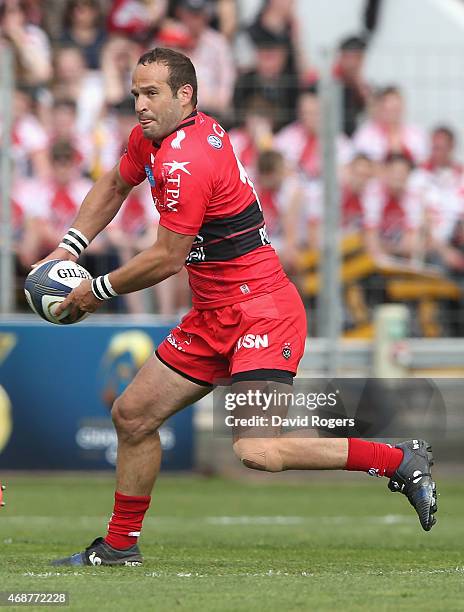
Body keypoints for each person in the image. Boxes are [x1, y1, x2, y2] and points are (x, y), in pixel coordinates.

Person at [34, 48, 437, 567]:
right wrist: (68, 247)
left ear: (186, 96)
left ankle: (398, 457)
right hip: (212, 316)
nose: (139, 104)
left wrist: (98, 290)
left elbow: (167, 257)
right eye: (136, 93)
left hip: (262, 312)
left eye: (151, 93)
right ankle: (119, 546)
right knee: (132, 416)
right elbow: (115, 184)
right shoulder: (156, 138)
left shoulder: (186, 159)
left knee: (257, 450)